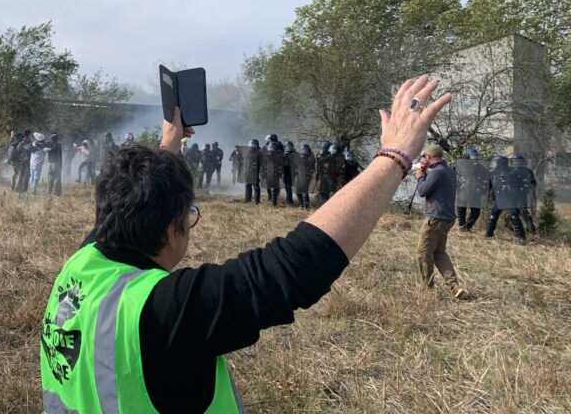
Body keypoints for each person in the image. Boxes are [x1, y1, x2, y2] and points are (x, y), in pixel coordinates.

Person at [39, 76, 453, 413]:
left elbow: (130, 202)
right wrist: (395, 157)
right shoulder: (166, 313)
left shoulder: (81, 266)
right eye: (188, 218)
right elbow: (292, 268)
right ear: (170, 230)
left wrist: (170, 143)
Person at [413, 145, 467, 299]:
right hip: (447, 218)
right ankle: (454, 286)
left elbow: (423, 191)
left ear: (429, 157)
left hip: (435, 218)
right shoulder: (449, 171)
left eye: (425, 158)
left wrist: (420, 177)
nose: (424, 160)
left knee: (423, 253)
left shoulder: (436, 172)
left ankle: (427, 289)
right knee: (439, 252)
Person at [484, 156, 527, 245]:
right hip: (499, 198)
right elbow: (489, 186)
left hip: (510, 198)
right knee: (493, 217)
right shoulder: (493, 173)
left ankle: (522, 238)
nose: (493, 165)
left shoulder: (512, 173)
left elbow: (517, 188)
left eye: (495, 163)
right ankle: (488, 235)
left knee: (514, 217)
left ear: (501, 164)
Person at [457, 148, 486, 232]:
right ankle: (461, 227)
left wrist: (482, 192)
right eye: (473, 158)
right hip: (463, 192)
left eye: (476, 158)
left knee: (476, 213)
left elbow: (486, 181)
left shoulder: (481, 168)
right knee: (461, 210)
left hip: (475, 193)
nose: (475, 160)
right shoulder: (461, 167)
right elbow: (455, 177)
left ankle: (466, 227)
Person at [293, 143, 317, 210]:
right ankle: (302, 205)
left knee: (304, 191)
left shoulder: (311, 158)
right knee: (298, 191)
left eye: (305, 151)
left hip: (307, 176)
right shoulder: (298, 157)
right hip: (299, 175)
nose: (304, 152)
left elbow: (312, 167)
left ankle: (307, 206)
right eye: (303, 150)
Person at [263, 135, 285, 206]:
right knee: (268, 182)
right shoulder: (268, 145)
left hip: (277, 166)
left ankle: (274, 201)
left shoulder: (279, 146)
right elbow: (263, 153)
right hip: (269, 166)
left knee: (275, 183)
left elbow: (282, 156)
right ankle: (270, 197)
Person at [243, 139, 261, 205]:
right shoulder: (247, 152)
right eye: (251, 144)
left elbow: (261, 163)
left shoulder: (259, 153)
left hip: (255, 172)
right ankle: (247, 200)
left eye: (253, 144)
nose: (252, 145)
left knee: (256, 186)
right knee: (248, 185)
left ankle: (257, 201)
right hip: (248, 171)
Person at [283, 141, 296, 206]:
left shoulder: (295, 154)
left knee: (288, 187)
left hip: (293, 173)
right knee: (288, 187)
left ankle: (290, 202)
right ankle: (289, 201)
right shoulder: (284, 154)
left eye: (289, 146)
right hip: (288, 173)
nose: (289, 148)